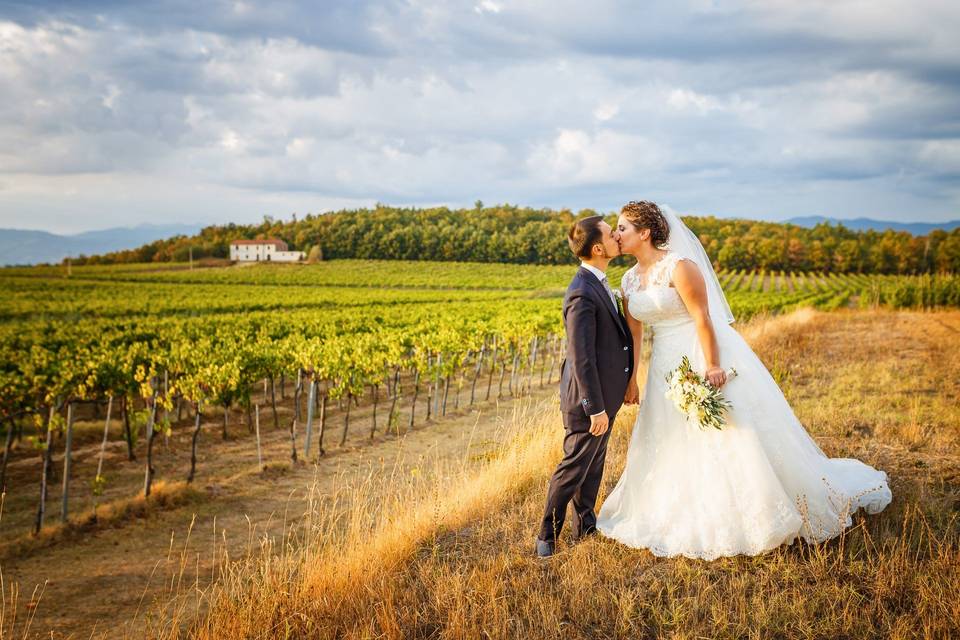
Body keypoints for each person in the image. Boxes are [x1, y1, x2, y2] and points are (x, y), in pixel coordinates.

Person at [595, 200, 892, 560]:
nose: (616, 234)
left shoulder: (680, 267)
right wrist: (633, 379)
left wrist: (713, 365)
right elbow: (636, 333)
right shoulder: (628, 280)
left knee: (725, 432)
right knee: (668, 433)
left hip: (696, 352)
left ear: (644, 233)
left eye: (623, 228)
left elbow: (703, 318)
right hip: (663, 367)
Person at [535, 215, 634, 558]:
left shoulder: (599, 282)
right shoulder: (581, 292)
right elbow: (582, 358)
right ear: (597, 248)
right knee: (574, 465)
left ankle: (586, 526)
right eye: (611, 234)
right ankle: (547, 533)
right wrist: (595, 408)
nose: (616, 237)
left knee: (593, 465)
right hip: (586, 401)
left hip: (605, 397)